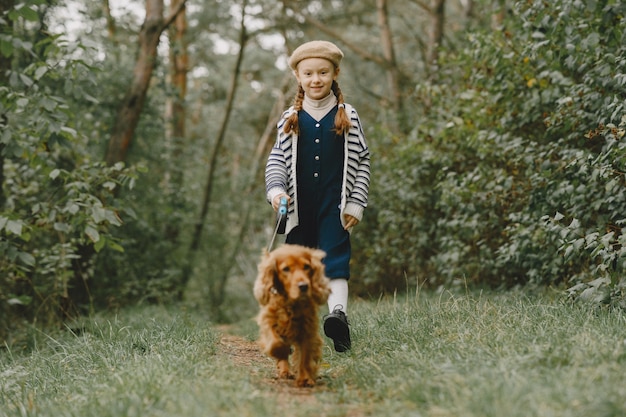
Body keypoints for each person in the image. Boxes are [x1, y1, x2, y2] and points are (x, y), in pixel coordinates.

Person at [264, 40, 371, 352]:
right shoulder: (289, 118)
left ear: (335, 73)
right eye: (308, 73)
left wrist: (356, 202)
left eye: (323, 72)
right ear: (298, 77)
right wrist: (276, 190)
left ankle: (338, 317)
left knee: (335, 260)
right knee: (296, 265)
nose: (316, 79)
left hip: (334, 205)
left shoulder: (347, 115)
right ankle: (294, 323)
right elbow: (276, 159)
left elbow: (363, 160)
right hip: (298, 207)